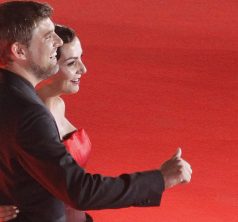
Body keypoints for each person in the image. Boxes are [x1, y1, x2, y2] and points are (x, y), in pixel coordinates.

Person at [0, 1, 192, 222]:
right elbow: (79, 190)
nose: (58, 41)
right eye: (47, 36)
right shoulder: (30, 114)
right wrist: (161, 179)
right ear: (19, 51)